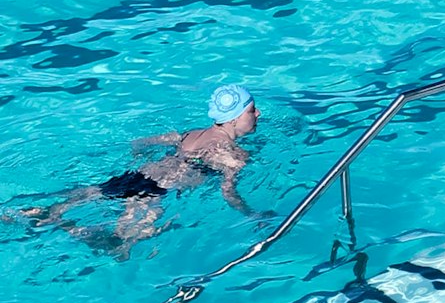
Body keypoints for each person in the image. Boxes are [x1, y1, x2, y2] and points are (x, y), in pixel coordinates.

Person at [12, 83, 261, 258]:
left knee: (81, 196)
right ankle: (63, 225)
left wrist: (138, 155)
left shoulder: (192, 134)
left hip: (134, 176)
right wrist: (251, 214)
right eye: (251, 110)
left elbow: (143, 142)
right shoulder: (233, 155)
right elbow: (228, 193)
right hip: (153, 192)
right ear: (234, 119)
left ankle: (41, 212)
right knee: (119, 247)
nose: (258, 113)